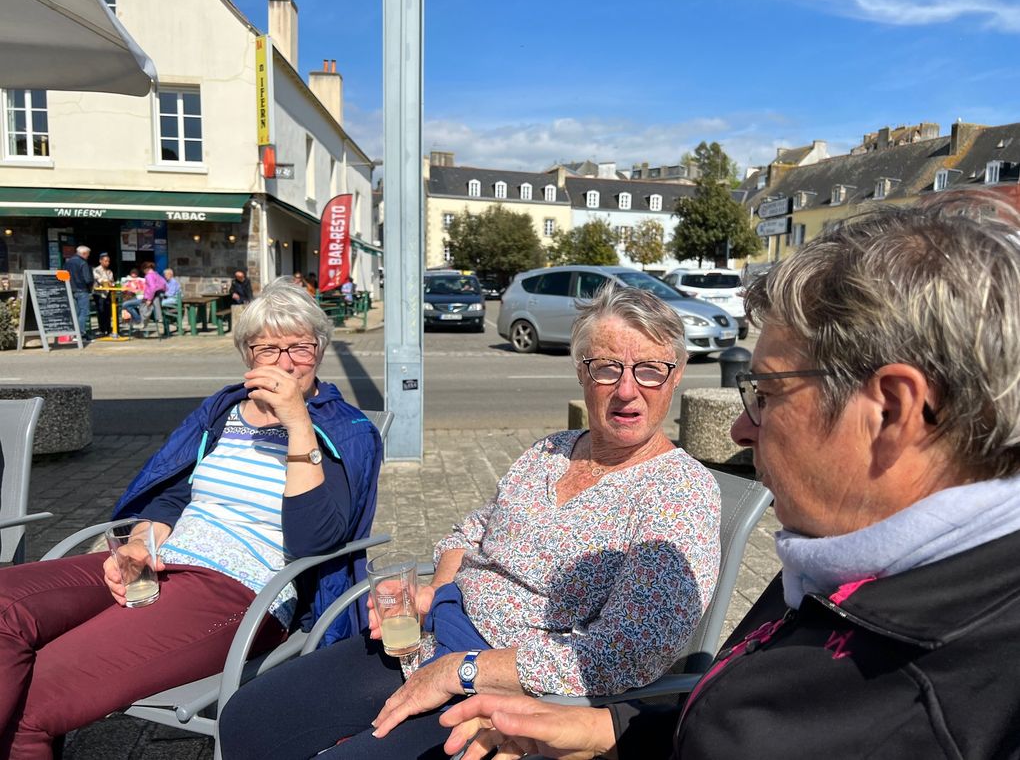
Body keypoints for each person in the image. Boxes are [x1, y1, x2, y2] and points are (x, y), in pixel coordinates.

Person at [441, 193, 1020, 760]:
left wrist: (477, 671)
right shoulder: (843, 559)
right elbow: (711, 716)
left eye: (766, 393)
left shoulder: (925, 708)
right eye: (606, 369)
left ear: (891, 411)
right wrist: (610, 733)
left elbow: (657, 671)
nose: (741, 429)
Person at [219, 284, 722, 760]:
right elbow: (468, 534)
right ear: (581, 373)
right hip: (432, 639)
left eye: (650, 370)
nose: (628, 391)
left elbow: (630, 651)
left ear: (676, 375)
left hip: (514, 691)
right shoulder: (549, 452)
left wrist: (459, 672)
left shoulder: (678, 493)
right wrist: (432, 593)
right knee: (247, 719)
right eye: (607, 369)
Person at [0, 278, 383, 759]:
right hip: (162, 561)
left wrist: (298, 423)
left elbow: (316, 540)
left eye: (300, 348)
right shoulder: (223, 413)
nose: (285, 362)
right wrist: (142, 541)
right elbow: (170, 495)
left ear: (320, 351)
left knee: (36, 701)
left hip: (239, 586)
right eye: (268, 348)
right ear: (248, 354)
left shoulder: (345, 430)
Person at [65, 245, 93, 341]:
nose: (88, 257)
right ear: (84, 253)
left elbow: (62, 275)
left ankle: (73, 334)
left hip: (70, 289)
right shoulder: (83, 263)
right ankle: (81, 334)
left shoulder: (68, 262)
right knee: (83, 312)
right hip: (81, 289)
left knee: (75, 312)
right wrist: (91, 285)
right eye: (88, 255)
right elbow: (87, 279)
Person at [136, 260, 167, 329]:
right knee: (147, 306)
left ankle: (143, 323)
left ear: (145, 269)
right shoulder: (157, 275)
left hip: (153, 295)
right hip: (160, 294)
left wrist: (149, 299)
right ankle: (158, 318)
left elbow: (152, 288)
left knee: (142, 306)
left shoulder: (148, 276)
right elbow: (164, 285)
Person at [91, 251, 114, 337]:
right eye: (105, 261)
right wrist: (108, 283)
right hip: (99, 293)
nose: (107, 263)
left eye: (108, 261)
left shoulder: (109, 271)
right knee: (101, 311)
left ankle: (108, 329)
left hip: (107, 293)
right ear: (100, 261)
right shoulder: (96, 270)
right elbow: (100, 280)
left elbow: (112, 282)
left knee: (108, 311)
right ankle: (102, 329)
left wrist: (110, 283)